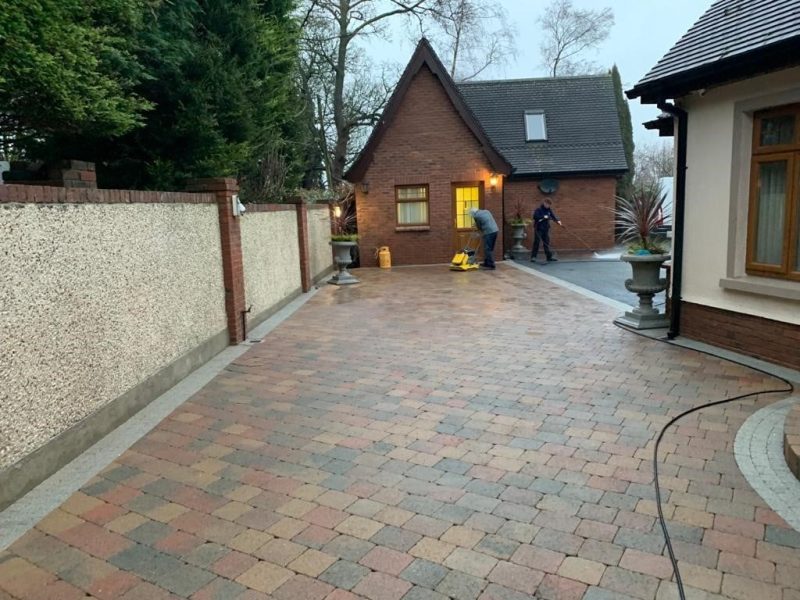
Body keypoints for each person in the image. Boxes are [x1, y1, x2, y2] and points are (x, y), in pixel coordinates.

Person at [531, 198, 562, 262]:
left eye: (549, 205)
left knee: (546, 243)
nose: (548, 206)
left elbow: (553, 217)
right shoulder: (538, 210)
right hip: (538, 228)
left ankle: (549, 257)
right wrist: (543, 217)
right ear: (544, 203)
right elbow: (535, 217)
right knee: (537, 242)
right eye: (547, 204)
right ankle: (533, 257)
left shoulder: (549, 210)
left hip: (545, 228)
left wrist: (558, 221)